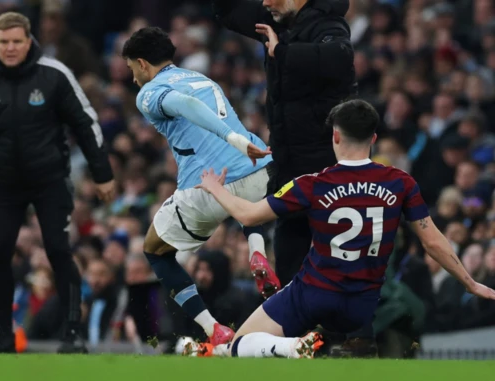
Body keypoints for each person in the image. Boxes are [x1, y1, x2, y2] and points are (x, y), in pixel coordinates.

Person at [191, 100, 495, 358]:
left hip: (314, 294)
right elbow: (432, 242)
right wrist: (470, 282)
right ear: (373, 139)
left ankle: (294, 346)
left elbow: (249, 214)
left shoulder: (312, 184)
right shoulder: (401, 182)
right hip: (361, 306)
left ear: (335, 137)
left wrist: (214, 188)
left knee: (240, 345)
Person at [0, 12, 115, 354]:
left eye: (16, 41)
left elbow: (85, 123)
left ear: (29, 40)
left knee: (58, 249)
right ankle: (4, 335)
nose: (10, 48)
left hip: (50, 180)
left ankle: (72, 334)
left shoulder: (54, 74)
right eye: (4, 42)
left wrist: (103, 173)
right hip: (2, 184)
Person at [212, 0, 361, 354]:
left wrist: (286, 52)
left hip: (325, 162)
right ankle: (299, 342)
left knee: (337, 254)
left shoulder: (328, 24)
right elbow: (228, 11)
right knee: (290, 251)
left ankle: (353, 340)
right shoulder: (275, 20)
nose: (263, 3)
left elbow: (340, 59)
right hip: (289, 161)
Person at [121, 27, 276, 346]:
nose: (133, 77)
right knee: (250, 212)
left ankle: (213, 329)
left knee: (155, 251)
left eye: (132, 69)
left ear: (143, 64)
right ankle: (257, 253)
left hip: (207, 185)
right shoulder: (201, 77)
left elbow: (183, 104)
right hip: (257, 169)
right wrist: (241, 142)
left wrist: (232, 138)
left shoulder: (150, 92)